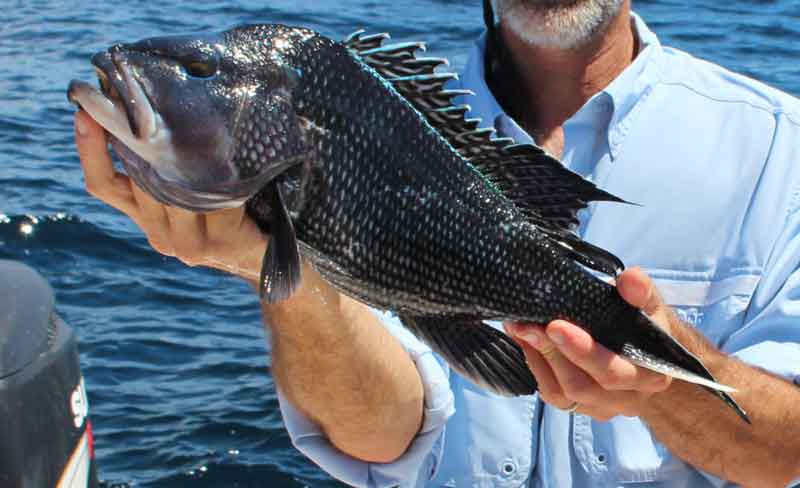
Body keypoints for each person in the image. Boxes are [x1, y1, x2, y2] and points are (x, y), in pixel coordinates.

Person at [73, 0, 800, 486]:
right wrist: (270, 267)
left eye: (200, 73)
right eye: (201, 73)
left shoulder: (779, 151)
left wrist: (669, 380)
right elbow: (379, 439)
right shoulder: (383, 102)